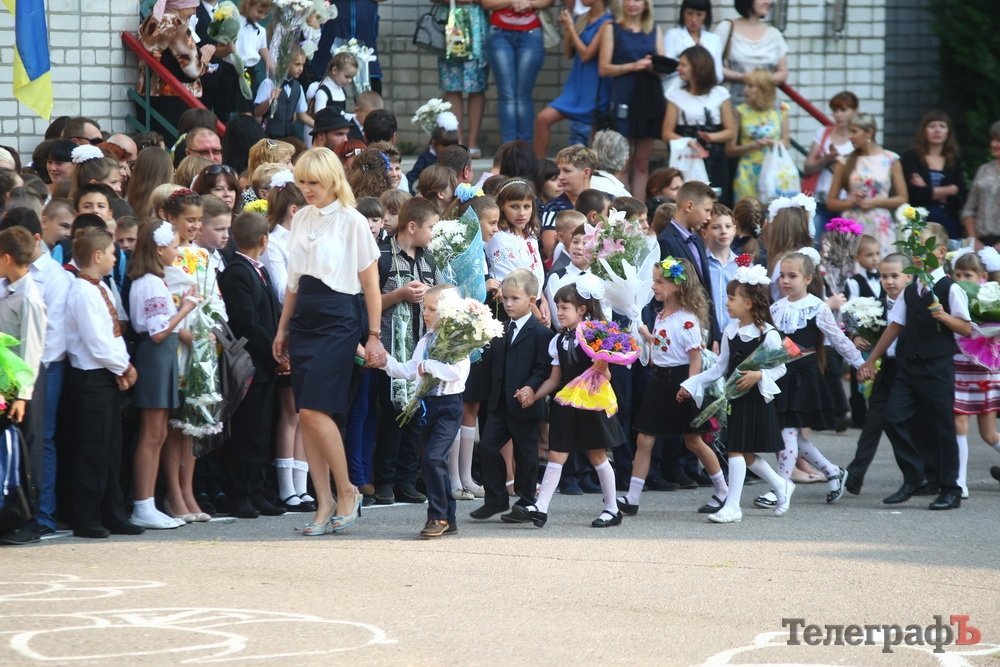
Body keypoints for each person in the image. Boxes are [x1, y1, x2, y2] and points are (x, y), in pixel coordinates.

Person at [272, 148, 384, 534]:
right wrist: (282, 329)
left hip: (340, 318)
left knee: (318, 410)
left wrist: (373, 335)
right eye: (301, 181)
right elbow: (292, 282)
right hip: (304, 316)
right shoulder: (300, 217)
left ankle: (348, 489)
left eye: (313, 182)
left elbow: (371, 285)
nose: (306, 189)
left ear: (332, 180)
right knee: (306, 414)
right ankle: (323, 504)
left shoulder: (352, 221)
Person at [858, 222, 972, 511]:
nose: (918, 254)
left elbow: (966, 328)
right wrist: (872, 359)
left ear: (941, 252)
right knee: (893, 417)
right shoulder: (911, 288)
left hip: (937, 366)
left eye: (925, 248)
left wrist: (943, 317)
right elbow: (895, 325)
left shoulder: (949, 287)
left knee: (942, 427)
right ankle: (915, 476)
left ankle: (951, 488)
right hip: (909, 367)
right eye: (914, 249)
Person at [507, 279, 624, 527]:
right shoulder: (558, 340)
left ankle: (612, 509)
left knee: (597, 455)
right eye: (557, 307)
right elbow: (554, 379)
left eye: (564, 308)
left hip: (590, 401)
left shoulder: (595, 336)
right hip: (565, 402)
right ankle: (541, 507)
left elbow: (608, 376)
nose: (559, 312)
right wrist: (533, 396)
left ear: (582, 309)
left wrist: (602, 366)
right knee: (556, 454)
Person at [678, 263, 789, 523]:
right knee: (745, 454)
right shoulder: (730, 330)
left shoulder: (768, 334)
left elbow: (781, 367)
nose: (727, 303)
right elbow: (720, 366)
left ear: (749, 303)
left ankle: (733, 507)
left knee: (736, 451)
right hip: (736, 400)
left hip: (756, 399)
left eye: (731, 298)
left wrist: (759, 375)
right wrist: (693, 382)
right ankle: (782, 485)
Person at [623, 257, 727, 514]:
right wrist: (647, 336)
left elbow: (695, 357)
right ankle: (632, 498)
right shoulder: (661, 315)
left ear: (677, 287)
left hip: (681, 382)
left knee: (694, 441)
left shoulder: (687, 320)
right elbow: (664, 345)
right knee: (645, 438)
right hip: (660, 381)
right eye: (654, 281)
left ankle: (724, 491)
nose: (654, 286)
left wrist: (691, 387)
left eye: (660, 281)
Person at [765, 251, 862, 508]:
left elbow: (838, 339)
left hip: (803, 377)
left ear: (808, 278)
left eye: (792, 276)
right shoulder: (775, 308)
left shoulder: (817, 306)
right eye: (782, 276)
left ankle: (781, 486)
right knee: (792, 436)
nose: (785, 281)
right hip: (781, 376)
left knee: (787, 431)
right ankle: (833, 471)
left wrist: (860, 362)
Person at [63, 228, 143, 538]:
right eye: (111, 253)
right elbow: (95, 341)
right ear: (97, 256)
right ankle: (86, 516)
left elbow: (114, 334)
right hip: (90, 377)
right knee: (92, 449)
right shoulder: (81, 292)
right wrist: (124, 367)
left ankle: (113, 512)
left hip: (108, 374)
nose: (115, 258)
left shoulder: (103, 289)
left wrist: (122, 368)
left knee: (111, 448)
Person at [378, 284, 471, 538]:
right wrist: (385, 361)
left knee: (433, 458)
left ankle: (438, 516)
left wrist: (430, 365)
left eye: (432, 309)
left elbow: (458, 373)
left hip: (448, 406)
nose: (426, 314)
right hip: (427, 407)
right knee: (431, 460)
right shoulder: (426, 339)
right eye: (424, 308)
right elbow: (411, 369)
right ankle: (448, 517)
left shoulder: (457, 341)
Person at [127, 221, 200, 529]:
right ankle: (143, 503)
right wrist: (185, 309)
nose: (176, 252)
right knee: (152, 433)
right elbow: (158, 332)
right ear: (158, 249)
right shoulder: (150, 282)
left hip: (162, 357)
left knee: (157, 433)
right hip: (155, 356)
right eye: (172, 247)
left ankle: (149, 503)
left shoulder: (153, 280)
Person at [371, 196, 442, 505]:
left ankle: (407, 478)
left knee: (415, 415)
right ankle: (384, 480)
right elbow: (368, 301)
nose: (434, 234)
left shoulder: (430, 259)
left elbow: (442, 295)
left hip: (420, 348)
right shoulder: (383, 256)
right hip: (390, 349)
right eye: (432, 228)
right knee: (390, 414)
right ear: (412, 226)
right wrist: (399, 294)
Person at [470, 268, 554, 520]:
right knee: (487, 446)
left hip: (525, 403)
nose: (508, 303)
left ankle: (527, 501)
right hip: (499, 403)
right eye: (505, 298)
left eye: (514, 298)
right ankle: (496, 499)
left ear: (531, 300)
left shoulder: (541, 333)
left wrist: (531, 387)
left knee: (526, 453)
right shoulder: (500, 329)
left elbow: (544, 367)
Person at [218, 211, 282, 519]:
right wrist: (274, 352)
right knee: (245, 432)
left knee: (261, 431)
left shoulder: (259, 271)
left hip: (267, 365)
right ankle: (239, 492)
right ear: (263, 240)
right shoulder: (237, 273)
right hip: (251, 364)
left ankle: (257, 490)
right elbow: (246, 323)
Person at [843, 253, 920, 498]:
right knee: (873, 420)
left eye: (895, 276)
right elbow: (866, 323)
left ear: (908, 277)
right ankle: (855, 474)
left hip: (910, 369)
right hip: (887, 367)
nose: (889, 282)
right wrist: (857, 336)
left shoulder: (915, 302)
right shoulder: (881, 300)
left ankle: (920, 473)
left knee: (898, 420)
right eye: (884, 276)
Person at [262, 173, 314, 511]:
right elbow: (284, 289)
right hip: (290, 328)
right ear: (294, 210)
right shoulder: (276, 243)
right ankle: (287, 488)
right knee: (291, 412)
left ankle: (302, 484)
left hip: (309, 328)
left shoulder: (302, 241)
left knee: (306, 411)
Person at [455, 194, 501, 500]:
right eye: (491, 222)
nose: (495, 229)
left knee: (472, 406)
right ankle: (453, 478)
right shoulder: (459, 249)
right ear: (474, 220)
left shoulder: (482, 251)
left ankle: (466, 475)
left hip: (478, 336)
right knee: (458, 406)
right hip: (459, 336)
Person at [597, 0, 664, 198]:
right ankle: (622, 208)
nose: (632, 4)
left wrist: (653, 66)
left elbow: (664, 66)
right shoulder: (612, 28)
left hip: (648, 95)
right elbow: (604, 68)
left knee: (642, 162)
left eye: (638, 0)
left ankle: (640, 211)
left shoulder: (654, 29)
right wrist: (633, 66)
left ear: (646, 5)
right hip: (623, 93)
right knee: (622, 161)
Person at [533, 0, 613, 157]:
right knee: (543, 119)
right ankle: (538, 169)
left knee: (596, 138)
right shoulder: (581, 18)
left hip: (594, 88)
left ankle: (595, 177)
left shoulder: (607, 22)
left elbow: (587, 55)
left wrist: (571, 27)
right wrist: (568, 30)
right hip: (576, 87)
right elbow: (569, 53)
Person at [950, 250, 1000, 499]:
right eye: (957, 274)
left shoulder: (991, 299)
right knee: (959, 424)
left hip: (983, 368)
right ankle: (960, 482)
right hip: (959, 366)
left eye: (967, 274)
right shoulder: (953, 296)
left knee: (989, 434)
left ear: (982, 276)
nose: (962, 279)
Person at [826, 113, 908, 258]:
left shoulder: (890, 159)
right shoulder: (844, 161)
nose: (850, 136)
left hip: (880, 226)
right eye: (849, 131)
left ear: (869, 132)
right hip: (852, 225)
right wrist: (852, 202)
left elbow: (902, 198)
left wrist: (876, 202)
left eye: (854, 131)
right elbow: (831, 202)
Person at [662, 45, 735, 200]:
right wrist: (689, 142)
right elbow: (667, 132)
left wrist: (710, 137)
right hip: (687, 156)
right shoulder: (675, 95)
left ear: (697, 66)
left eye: (683, 64)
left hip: (714, 156)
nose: (679, 68)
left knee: (715, 196)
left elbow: (730, 131)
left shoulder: (719, 94)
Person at [136, 0, 215, 141]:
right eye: (192, 7)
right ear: (181, 5)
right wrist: (205, 61)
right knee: (177, 146)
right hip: (177, 97)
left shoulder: (151, 20)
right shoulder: (179, 26)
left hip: (149, 94)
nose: (194, 12)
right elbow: (192, 70)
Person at [656, 180, 719, 344]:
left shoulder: (697, 240)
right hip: (682, 333)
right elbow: (668, 292)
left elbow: (707, 289)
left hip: (705, 328)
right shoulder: (666, 241)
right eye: (707, 210)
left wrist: (715, 335)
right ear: (689, 206)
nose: (709, 217)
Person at [482, 0, 553, 144]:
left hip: (531, 34)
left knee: (523, 96)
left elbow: (549, 1)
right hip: (499, 33)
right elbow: (486, 3)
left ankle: (524, 150)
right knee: (507, 95)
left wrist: (530, 4)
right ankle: (508, 149)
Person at [486, 178, 549, 326]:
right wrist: (538, 316)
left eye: (527, 206)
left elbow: (535, 272)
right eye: (514, 206)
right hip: (515, 308)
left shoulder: (530, 233)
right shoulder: (499, 238)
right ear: (502, 206)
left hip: (535, 301)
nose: (521, 213)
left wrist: (543, 300)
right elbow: (516, 282)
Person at [901, 110, 968, 241]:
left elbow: (960, 195)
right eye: (932, 126)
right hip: (919, 220)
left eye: (942, 126)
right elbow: (914, 194)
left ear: (948, 132)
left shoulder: (955, 160)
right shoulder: (911, 157)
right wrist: (949, 190)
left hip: (949, 221)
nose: (937, 130)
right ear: (924, 131)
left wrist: (927, 189)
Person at [802, 91, 858, 239]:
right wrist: (827, 158)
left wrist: (841, 166)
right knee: (813, 242)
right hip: (821, 199)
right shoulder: (824, 133)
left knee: (844, 246)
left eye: (844, 110)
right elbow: (808, 167)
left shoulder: (859, 136)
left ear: (855, 111)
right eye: (835, 110)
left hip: (847, 201)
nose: (839, 115)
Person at [728, 69, 789, 203]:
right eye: (746, 86)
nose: (745, 90)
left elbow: (786, 142)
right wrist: (753, 145)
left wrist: (773, 143)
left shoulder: (781, 109)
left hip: (773, 169)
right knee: (747, 213)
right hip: (747, 172)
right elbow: (730, 149)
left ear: (764, 89)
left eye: (750, 86)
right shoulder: (740, 111)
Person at [437, 0, 489, 157]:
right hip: (451, 25)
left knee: (477, 86)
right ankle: (457, 140)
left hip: (476, 26)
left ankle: (473, 142)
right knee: (452, 87)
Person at [714, 0, 787, 106]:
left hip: (766, 108)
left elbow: (783, 72)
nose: (768, 2)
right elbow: (712, 66)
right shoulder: (726, 28)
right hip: (733, 105)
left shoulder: (775, 34)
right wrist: (740, 76)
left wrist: (760, 79)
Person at [844, 234, 881, 426]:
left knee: (880, 374)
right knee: (858, 373)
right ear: (858, 257)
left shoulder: (885, 279)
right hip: (861, 338)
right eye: (869, 255)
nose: (874, 258)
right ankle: (859, 416)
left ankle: (878, 414)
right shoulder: (853, 282)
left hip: (880, 337)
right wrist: (854, 336)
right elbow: (848, 311)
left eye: (877, 254)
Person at [540, 145, 598, 259]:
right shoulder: (553, 207)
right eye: (559, 171)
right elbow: (550, 251)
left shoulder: (606, 202)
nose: (560, 177)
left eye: (566, 171)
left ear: (586, 173)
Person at [254, 45, 315, 141]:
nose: (301, 68)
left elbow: (302, 115)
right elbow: (257, 112)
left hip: (289, 138)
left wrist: (319, 127)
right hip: (269, 137)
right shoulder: (269, 83)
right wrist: (270, 99)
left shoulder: (298, 87)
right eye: (297, 64)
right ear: (285, 63)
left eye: (303, 64)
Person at [662, 0, 722, 93]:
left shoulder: (714, 39)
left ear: (706, 16)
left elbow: (718, 75)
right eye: (690, 13)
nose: (694, 19)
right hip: (676, 89)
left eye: (699, 15)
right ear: (683, 13)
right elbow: (666, 68)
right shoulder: (673, 35)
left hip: (705, 91)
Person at [961, 120, 1000, 246]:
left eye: (999, 140)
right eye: (993, 140)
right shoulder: (984, 170)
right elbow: (969, 210)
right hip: (983, 244)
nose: (994, 144)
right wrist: (974, 240)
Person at [703, 203, 739, 332]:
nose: (724, 231)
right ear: (705, 232)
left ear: (734, 230)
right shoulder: (701, 264)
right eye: (716, 227)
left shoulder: (743, 266)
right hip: (710, 333)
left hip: (737, 332)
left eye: (728, 226)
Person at [307, 51, 358, 117]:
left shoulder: (345, 90)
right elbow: (320, 119)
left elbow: (346, 114)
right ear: (334, 70)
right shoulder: (323, 92)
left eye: (352, 77)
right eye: (347, 76)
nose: (350, 80)